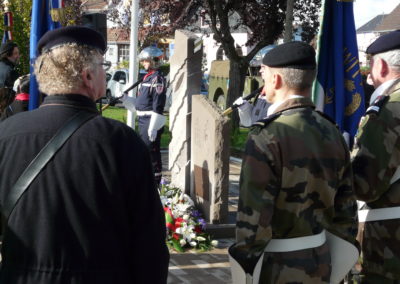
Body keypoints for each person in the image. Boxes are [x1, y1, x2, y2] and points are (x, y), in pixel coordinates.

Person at [0, 26, 169, 284]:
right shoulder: (121, 142)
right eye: (104, 65)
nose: (107, 71)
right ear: (88, 76)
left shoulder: (5, 134)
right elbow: (149, 246)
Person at [229, 41, 359, 283]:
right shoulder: (332, 131)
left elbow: (253, 222)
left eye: (263, 73)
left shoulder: (266, 136)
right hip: (322, 263)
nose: (262, 79)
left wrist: (245, 269)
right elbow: (346, 213)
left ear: (276, 80)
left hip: (276, 268)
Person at [351, 30, 400, 283]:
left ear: (380, 65)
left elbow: (365, 186)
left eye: (370, 63)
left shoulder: (389, 109)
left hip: (389, 239)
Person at [121, 46, 166, 185]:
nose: (143, 63)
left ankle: (155, 182)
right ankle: (146, 179)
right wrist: (126, 99)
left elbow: (158, 104)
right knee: (144, 151)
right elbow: (141, 104)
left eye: (146, 61)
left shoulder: (157, 79)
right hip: (142, 119)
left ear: (153, 61)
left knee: (151, 152)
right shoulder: (147, 78)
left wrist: (153, 127)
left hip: (150, 120)